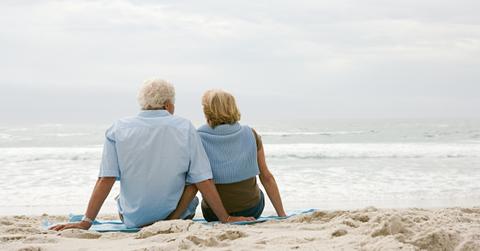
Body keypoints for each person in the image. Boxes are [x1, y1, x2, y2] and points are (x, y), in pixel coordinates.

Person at [50, 79, 254, 231]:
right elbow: (202, 179)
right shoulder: (185, 127)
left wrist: (86, 222)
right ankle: (172, 217)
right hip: (179, 217)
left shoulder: (118, 129)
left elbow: (106, 178)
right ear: (167, 105)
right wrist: (225, 218)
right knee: (190, 179)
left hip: (132, 219)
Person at [197, 89, 287, 221]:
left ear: (207, 110)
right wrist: (282, 215)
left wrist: (226, 218)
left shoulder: (197, 138)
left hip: (213, 214)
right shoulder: (250, 134)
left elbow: (199, 181)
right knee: (257, 193)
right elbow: (266, 176)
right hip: (252, 209)